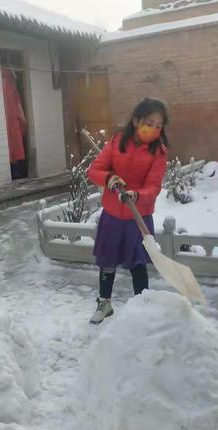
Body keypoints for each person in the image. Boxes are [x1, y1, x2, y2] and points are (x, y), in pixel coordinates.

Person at [86, 97, 170, 325]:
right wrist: (109, 178)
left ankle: (141, 308)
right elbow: (94, 170)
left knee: (138, 263)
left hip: (138, 216)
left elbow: (154, 186)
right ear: (136, 120)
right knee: (107, 260)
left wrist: (136, 195)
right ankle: (104, 303)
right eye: (149, 123)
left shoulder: (159, 152)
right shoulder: (117, 142)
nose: (153, 129)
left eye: (158, 126)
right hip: (113, 214)